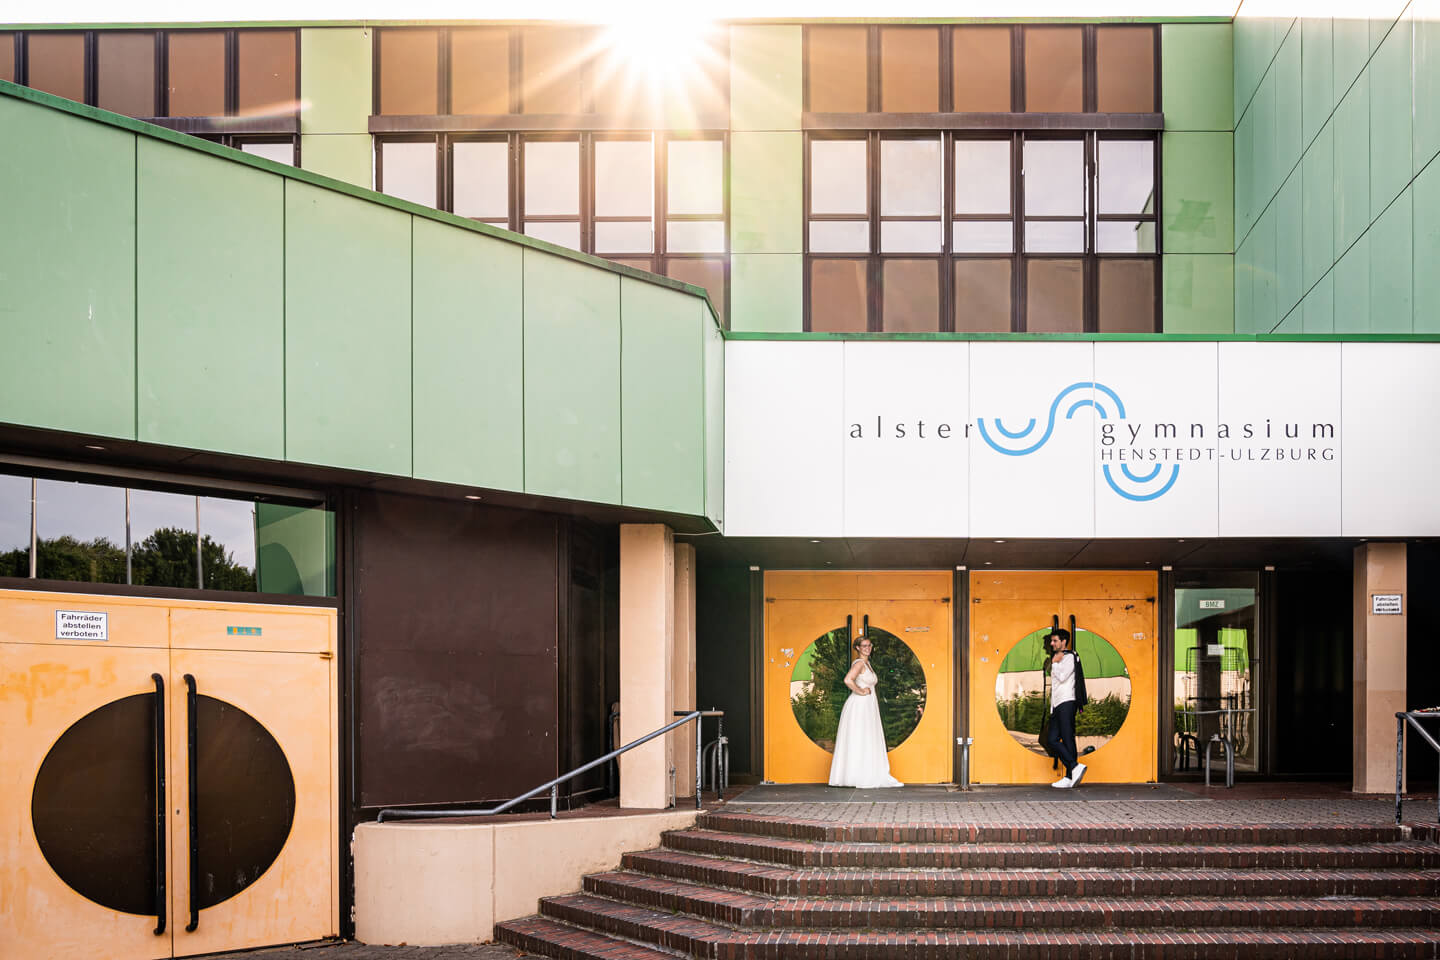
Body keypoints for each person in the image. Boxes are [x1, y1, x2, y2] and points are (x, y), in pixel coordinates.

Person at [827, 634, 904, 788]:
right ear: (857, 648)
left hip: (868, 705)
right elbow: (848, 679)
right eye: (864, 646)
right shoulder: (859, 663)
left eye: (869, 645)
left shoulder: (867, 664)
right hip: (860, 705)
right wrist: (860, 691)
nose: (867, 648)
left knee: (866, 737)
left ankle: (862, 772)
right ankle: (858, 775)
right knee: (861, 736)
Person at [1045, 627, 1087, 789]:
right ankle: (1073, 769)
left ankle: (1071, 773)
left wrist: (1055, 663)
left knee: (1066, 738)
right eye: (1051, 640)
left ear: (1064, 642)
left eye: (1055, 641)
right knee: (1052, 739)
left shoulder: (1069, 657)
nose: (1052, 643)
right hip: (1058, 704)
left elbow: (1062, 677)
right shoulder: (1059, 657)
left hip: (1067, 703)